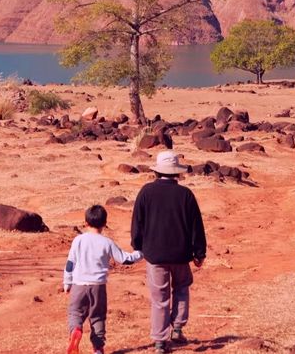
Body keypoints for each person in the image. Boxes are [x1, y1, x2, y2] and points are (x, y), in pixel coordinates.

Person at [131, 151, 207, 353]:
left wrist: (138, 246)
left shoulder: (146, 192)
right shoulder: (186, 195)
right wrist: (199, 253)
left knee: (159, 297)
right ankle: (178, 328)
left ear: (157, 171)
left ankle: (159, 341)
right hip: (182, 254)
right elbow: (196, 227)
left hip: (155, 255)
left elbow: (137, 222)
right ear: (176, 173)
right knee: (182, 287)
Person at [63, 204, 143, 354]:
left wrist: (67, 282)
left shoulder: (78, 240)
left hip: (79, 284)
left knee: (75, 313)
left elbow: (70, 263)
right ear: (105, 224)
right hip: (98, 286)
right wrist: (141, 253)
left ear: (85, 222)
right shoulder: (107, 242)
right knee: (98, 317)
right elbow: (124, 259)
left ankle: (76, 330)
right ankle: (98, 348)